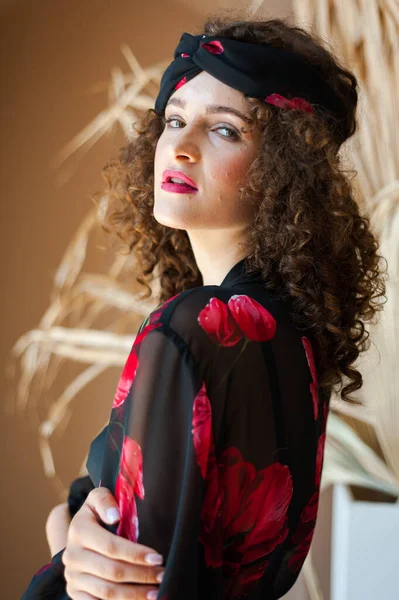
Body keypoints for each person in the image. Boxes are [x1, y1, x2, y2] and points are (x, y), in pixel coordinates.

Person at [21, 15, 387, 600]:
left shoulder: (199, 328)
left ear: (284, 171)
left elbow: (129, 584)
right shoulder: (288, 336)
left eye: (225, 130)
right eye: (175, 120)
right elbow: (96, 530)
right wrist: (78, 539)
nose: (184, 148)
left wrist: (75, 552)